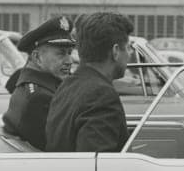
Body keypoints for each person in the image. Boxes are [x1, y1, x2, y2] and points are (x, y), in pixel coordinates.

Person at [44, 12, 132, 153]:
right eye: (128, 47)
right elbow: (97, 166)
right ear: (115, 51)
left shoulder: (68, 85)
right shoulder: (102, 95)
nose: (130, 53)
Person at [1, 15, 75, 149]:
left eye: (70, 52)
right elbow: (60, 150)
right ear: (37, 57)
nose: (69, 61)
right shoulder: (39, 98)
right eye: (61, 53)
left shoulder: (36, 89)